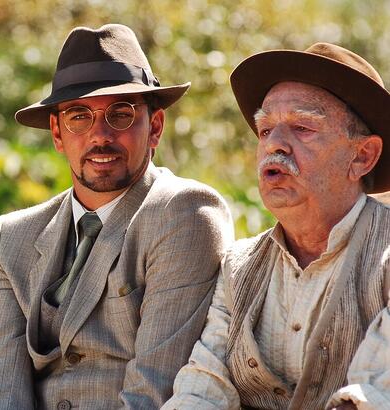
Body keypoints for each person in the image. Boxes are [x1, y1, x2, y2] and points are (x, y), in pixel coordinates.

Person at [0, 23, 233, 409]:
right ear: (57, 134)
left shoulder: (184, 213)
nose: (101, 135)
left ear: (155, 126)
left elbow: (154, 391)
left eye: (121, 114)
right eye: (79, 116)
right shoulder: (14, 237)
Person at [163, 43, 390, 410]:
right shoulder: (239, 266)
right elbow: (202, 387)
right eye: (266, 129)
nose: (275, 147)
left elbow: (378, 395)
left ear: (362, 156)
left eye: (302, 128)